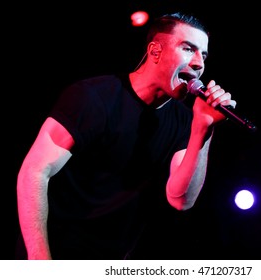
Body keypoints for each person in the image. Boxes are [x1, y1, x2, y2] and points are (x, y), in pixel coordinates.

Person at [16, 11, 237, 260]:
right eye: (188, 49)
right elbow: (34, 172)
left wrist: (203, 130)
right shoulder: (94, 97)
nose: (199, 64)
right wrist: (39, 260)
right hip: (54, 249)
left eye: (204, 55)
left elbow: (181, 200)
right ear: (155, 52)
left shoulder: (186, 120)